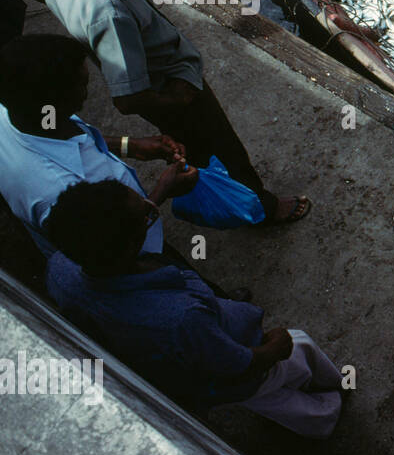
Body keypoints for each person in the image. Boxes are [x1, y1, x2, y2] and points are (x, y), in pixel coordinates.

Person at [8, 0, 309, 225]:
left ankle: (220, 188)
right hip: (165, 82)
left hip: (144, 61)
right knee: (222, 147)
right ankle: (258, 208)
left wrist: (64, 5)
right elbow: (127, 98)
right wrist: (177, 96)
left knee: (195, 146)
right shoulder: (106, 8)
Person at [43, 180, 343, 438]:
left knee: (273, 401)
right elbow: (235, 363)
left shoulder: (61, 267)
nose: (151, 210)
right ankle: (332, 396)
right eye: (145, 217)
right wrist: (272, 351)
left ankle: (321, 420)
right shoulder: (181, 318)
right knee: (295, 354)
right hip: (240, 357)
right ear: (127, 246)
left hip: (195, 378)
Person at [0, 34, 196, 258]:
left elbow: (72, 138)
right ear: (52, 102)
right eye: (82, 85)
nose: (87, 92)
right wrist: (162, 192)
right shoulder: (57, 193)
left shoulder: (18, 112)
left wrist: (129, 146)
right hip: (132, 257)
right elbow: (112, 246)